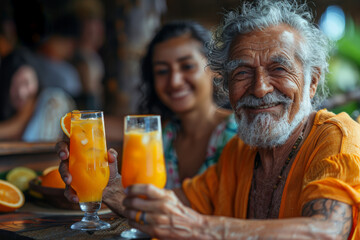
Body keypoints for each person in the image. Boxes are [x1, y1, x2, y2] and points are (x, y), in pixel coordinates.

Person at [57, 1, 360, 238]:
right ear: (227, 86)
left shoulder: (336, 138)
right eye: (242, 72)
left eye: (279, 69)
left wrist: (201, 229)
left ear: (312, 81)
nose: (259, 87)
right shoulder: (239, 154)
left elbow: (327, 232)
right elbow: (172, 210)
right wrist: (109, 189)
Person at [104, 20, 237, 188]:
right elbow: (94, 128)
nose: (174, 81)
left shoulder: (239, 134)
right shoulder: (163, 134)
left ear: (215, 69)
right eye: (162, 71)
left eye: (187, 66)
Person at [0, 48, 75, 141]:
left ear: (37, 79)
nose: (21, 93)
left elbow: (44, 145)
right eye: (14, 86)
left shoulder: (53, 101)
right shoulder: (10, 112)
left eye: (26, 82)